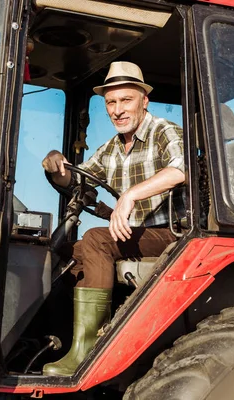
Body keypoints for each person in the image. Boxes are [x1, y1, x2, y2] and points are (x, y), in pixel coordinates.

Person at [40, 61, 185, 376]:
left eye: (126, 100)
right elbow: (79, 182)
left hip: (173, 234)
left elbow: (180, 169)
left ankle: (91, 350)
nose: (118, 110)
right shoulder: (111, 149)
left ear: (144, 101)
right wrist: (56, 165)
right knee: (63, 254)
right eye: (111, 102)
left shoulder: (165, 131)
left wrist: (130, 195)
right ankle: (65, 342)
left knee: (96, 239)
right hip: (137, 235)